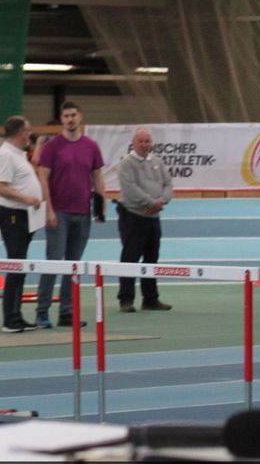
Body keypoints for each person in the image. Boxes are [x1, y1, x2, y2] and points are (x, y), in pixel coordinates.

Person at [34, 102, 105, 329]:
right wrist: (49, 209)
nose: (70, 119)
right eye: (66, 116)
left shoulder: (91, 146)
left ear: (80, 116)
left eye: (73, 115)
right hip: (59, 213)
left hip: (82, 213)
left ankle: (67, 311)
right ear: (62, 119)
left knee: (74, 264)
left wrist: (100, 207)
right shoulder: (52, 146)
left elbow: (97, 176)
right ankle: (42, 311)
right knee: (54, 262)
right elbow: (43, 177)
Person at [0, 115, 41, 333]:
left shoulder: (18, 154)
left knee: (20, 265)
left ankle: (16, 314)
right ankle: (10, 318)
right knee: (16, 265)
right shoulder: (5, 154)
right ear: (20, 133)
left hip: (24, 214)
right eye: (28, 131)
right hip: (13, 214)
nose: (30, 135)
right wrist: (26, 198)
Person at [117, 127, 174, 312]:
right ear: (133, 143)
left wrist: (162, 201)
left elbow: (168, 184)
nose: (144, 144)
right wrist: (151, 203)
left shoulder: (157, 162)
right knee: (130, 258)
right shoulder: (127, 163)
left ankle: (150, 299)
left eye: (147, 141)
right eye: (140, 141)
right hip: (133, 216)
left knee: (152, 258)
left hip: (153, 217)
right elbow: (130, 189)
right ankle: (126, 299)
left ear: (151, 143)